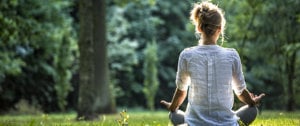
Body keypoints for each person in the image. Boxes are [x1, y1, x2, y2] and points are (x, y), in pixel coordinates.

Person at [160, 1, 265, 126]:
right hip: (226, 123)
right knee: (252, 110)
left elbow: (181, 91)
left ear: (199, 28)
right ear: (220, 29)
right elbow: (241, 92)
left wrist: (172, 107)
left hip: (195, 123)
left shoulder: (186, 55)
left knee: (173, 114)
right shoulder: (231, 55)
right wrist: (252, 102)